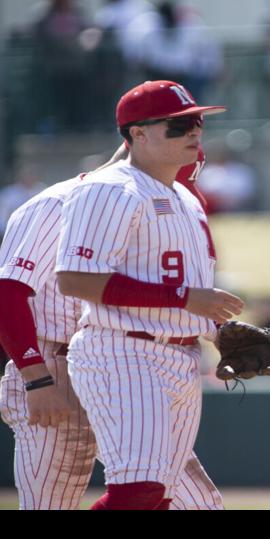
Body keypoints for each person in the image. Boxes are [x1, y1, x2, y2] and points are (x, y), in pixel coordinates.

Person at [51, 82, 240, 510]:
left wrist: (215, 328)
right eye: (177, 125)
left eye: (196, 122)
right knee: (139, 491)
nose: (194, 132)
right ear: (137, 134)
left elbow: (180, 289)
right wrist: (184, 299)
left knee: (160, 499)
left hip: (179, 357)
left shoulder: (187, 199)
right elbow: (76, 279)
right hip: (123, 352)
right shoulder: (110, 188)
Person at [2, 144, 222, 509]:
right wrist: (35, 378)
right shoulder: (55, 204)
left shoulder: (163, 210)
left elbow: (162, 294)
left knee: (192, 502)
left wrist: (219, 333)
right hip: (53, 366)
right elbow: (8, 292)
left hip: (131, 365)